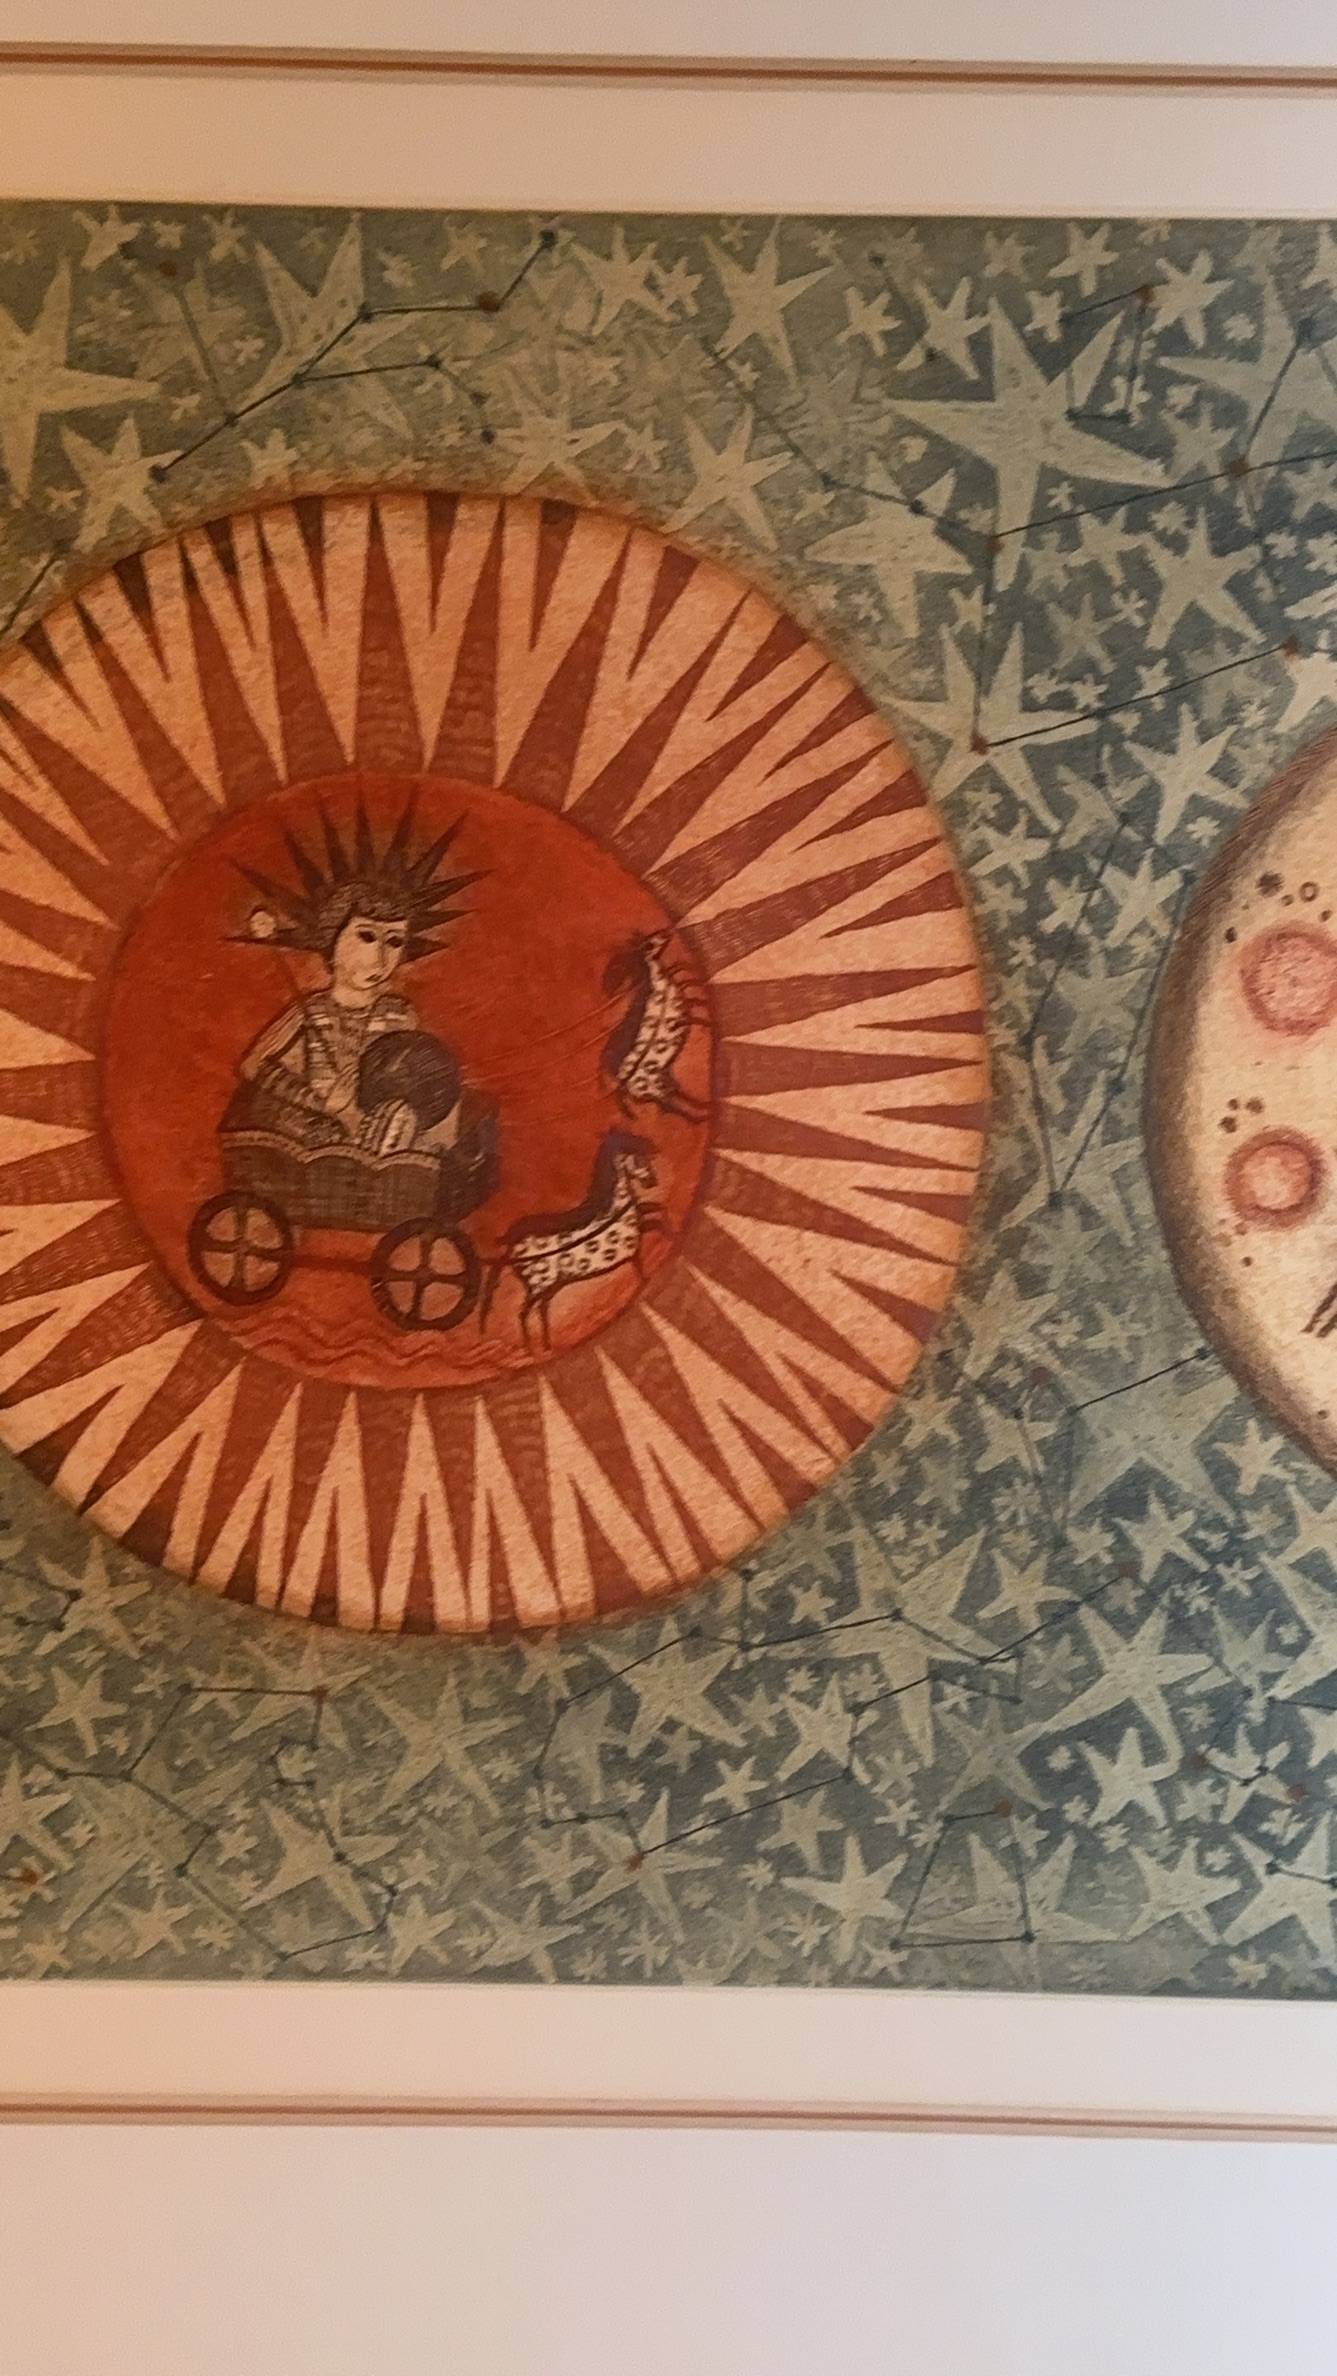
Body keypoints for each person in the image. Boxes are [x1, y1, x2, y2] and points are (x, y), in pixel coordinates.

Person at [222, 798, 479, 1160]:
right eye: (366, 937)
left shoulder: (399, 1014)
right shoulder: (311, 1012)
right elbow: (254, 1065)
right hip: (318, 1139)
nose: (380, 958)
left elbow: (421, 1079)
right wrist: (318, 1102)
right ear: (332, 940)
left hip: (381, 1141)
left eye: (394, 942)